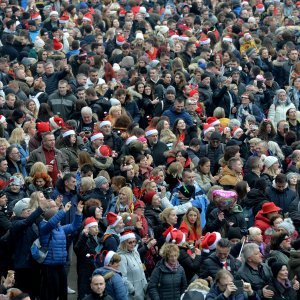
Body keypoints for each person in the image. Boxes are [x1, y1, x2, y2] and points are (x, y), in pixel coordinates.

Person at [39, 200, 83, 300]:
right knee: (52, 293)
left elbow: (74, 226)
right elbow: (51, 223)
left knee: (63, 292)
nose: (59, 220)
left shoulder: (60, 228)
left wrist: (78, 213)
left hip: (60, 264)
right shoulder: (44, 227)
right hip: (49, 266)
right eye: (57, 217)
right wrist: (63, 211)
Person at [117, 231, 147, 300]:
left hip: (142, 291)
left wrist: (145, 285)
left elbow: (142, 271)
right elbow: (122, 277)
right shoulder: (121, 257)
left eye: (134, 241)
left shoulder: (136, 253)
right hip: (132, 295)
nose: (133, 244)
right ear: (124, 243)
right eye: (130, 242)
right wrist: (132, 290)